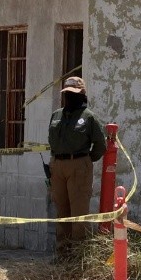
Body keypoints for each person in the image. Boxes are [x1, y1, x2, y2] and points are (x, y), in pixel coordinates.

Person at [47, 76, 107, 264]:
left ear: (82, 94)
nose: (69, 98)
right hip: (58, 166)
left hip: (79, 165)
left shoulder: (88, 117)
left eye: (73, 94)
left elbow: (100, 145)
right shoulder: (56, 115)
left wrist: (85, 162)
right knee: (61, 212)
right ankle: (62, 255)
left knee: (78, 213)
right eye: (67, 94)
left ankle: (78, 258)